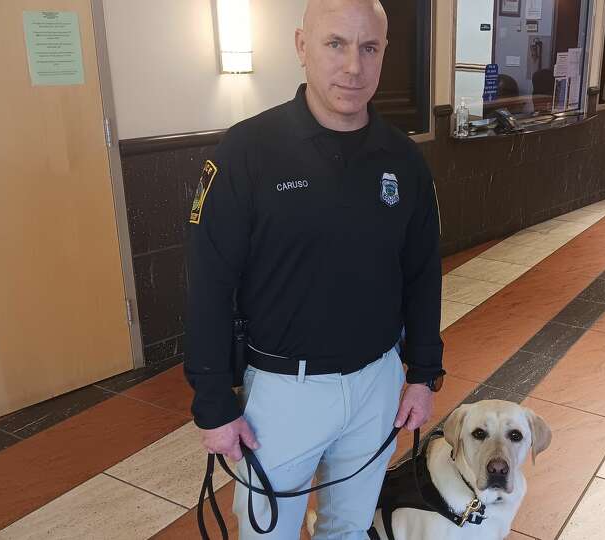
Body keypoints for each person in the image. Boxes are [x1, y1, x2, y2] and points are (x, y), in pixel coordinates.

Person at [184, 0, 445, 537]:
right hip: (283, 393)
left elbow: (421, 273)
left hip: (377, 383)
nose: (354, 65)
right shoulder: (247, 152)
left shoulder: (403, 158)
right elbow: (208, 283)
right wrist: (212, 400)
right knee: (267, 533)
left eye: (369, 47)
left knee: (347, 529)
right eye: (336, 44)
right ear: (301, 46)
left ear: (383, 53)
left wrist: (421, 373)